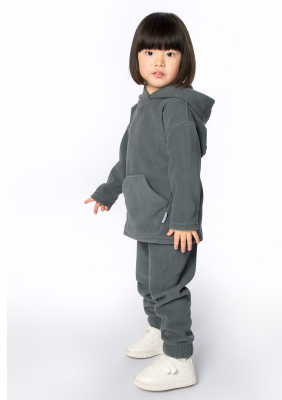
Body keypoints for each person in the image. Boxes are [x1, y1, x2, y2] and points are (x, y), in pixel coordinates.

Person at [84, 12, 215, 391]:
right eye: (150, 52)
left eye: (170, 53)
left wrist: (185, 219)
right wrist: (108, 191)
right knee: (147, 282)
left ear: (184, 60)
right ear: (136, 58)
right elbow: (128, 159)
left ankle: (178, 358)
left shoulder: (177, 108)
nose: (159, 61)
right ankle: (158, 332)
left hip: (172, 219)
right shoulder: (142, 106)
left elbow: (186, 168)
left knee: (168, 287)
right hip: (145, 212)